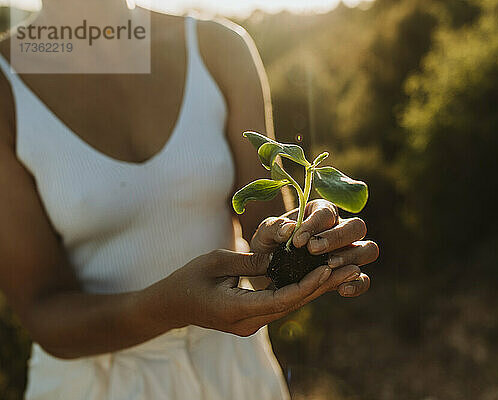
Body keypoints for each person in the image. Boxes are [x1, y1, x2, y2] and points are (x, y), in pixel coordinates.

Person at [0, 1, 379, 399]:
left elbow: (266, 246)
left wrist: (309, 244)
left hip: (235, 375)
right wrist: (173, 307)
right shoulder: (7, 85)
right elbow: (43, 313)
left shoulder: (219, 48)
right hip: (96, 386)